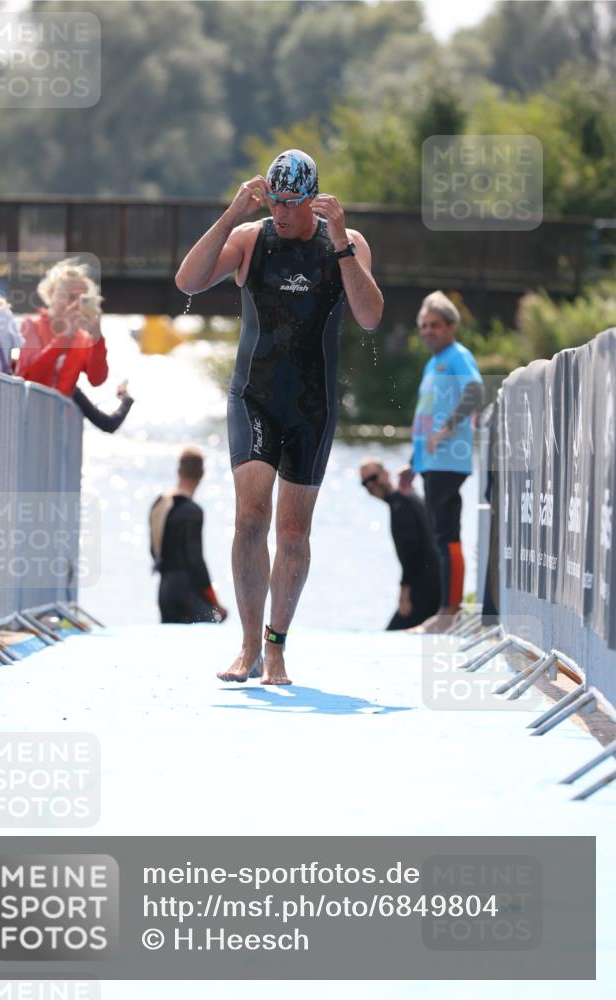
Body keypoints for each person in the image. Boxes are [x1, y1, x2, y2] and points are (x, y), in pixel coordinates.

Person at [175, 148, 383, 684]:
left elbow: (370, 316)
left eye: (293, 202)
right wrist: (231, 214)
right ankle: (247, 645)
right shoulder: (251, 239)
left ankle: (275, 646)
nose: (282, 212)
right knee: (250, 516)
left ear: (314, 199)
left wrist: (341, 243)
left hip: (312, 406)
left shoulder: (346, 242)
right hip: (255, 397)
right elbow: (188, 282)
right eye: (276, 201)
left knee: (292, 534)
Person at [398, 291, 484, 633]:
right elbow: (425, 417)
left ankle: (450, 612)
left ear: (450, 327)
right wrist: (412, 463)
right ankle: (447, 610)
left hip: (449, 460)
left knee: (446, 533)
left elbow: (475, 392)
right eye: (423, 326)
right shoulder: (432, 364)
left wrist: (448, 428)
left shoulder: (458, 357)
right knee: (441, 534)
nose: (428, 331)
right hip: (431, 462)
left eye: (434, 325)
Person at [149, 446, 228, 625]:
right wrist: (216, 604)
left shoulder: (159, 504)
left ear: (178, 471)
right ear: (202, 474)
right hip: (188, 592)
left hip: (165, 590)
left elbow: (154, 551)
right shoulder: (193, 511)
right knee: (213, 624)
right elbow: (196, 561)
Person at [359, 458, 441, 630]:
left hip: (425, 588)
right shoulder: (406, 496)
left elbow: (411, 550)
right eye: (365, 483)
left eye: (373, 478)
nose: (371, 485)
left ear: (386, 474)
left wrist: (404, 592)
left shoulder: (400, 503)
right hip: (433, 582)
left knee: (391, 636)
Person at [16, 258, 108, 396]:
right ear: (52, 295)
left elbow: (97, 380)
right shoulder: (32, 325)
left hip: (59, 409)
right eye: (70, 297)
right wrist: (65, 337)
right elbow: (30, 376)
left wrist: (97, 338)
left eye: (82, 299)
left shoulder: (83, 339)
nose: (75, 304)